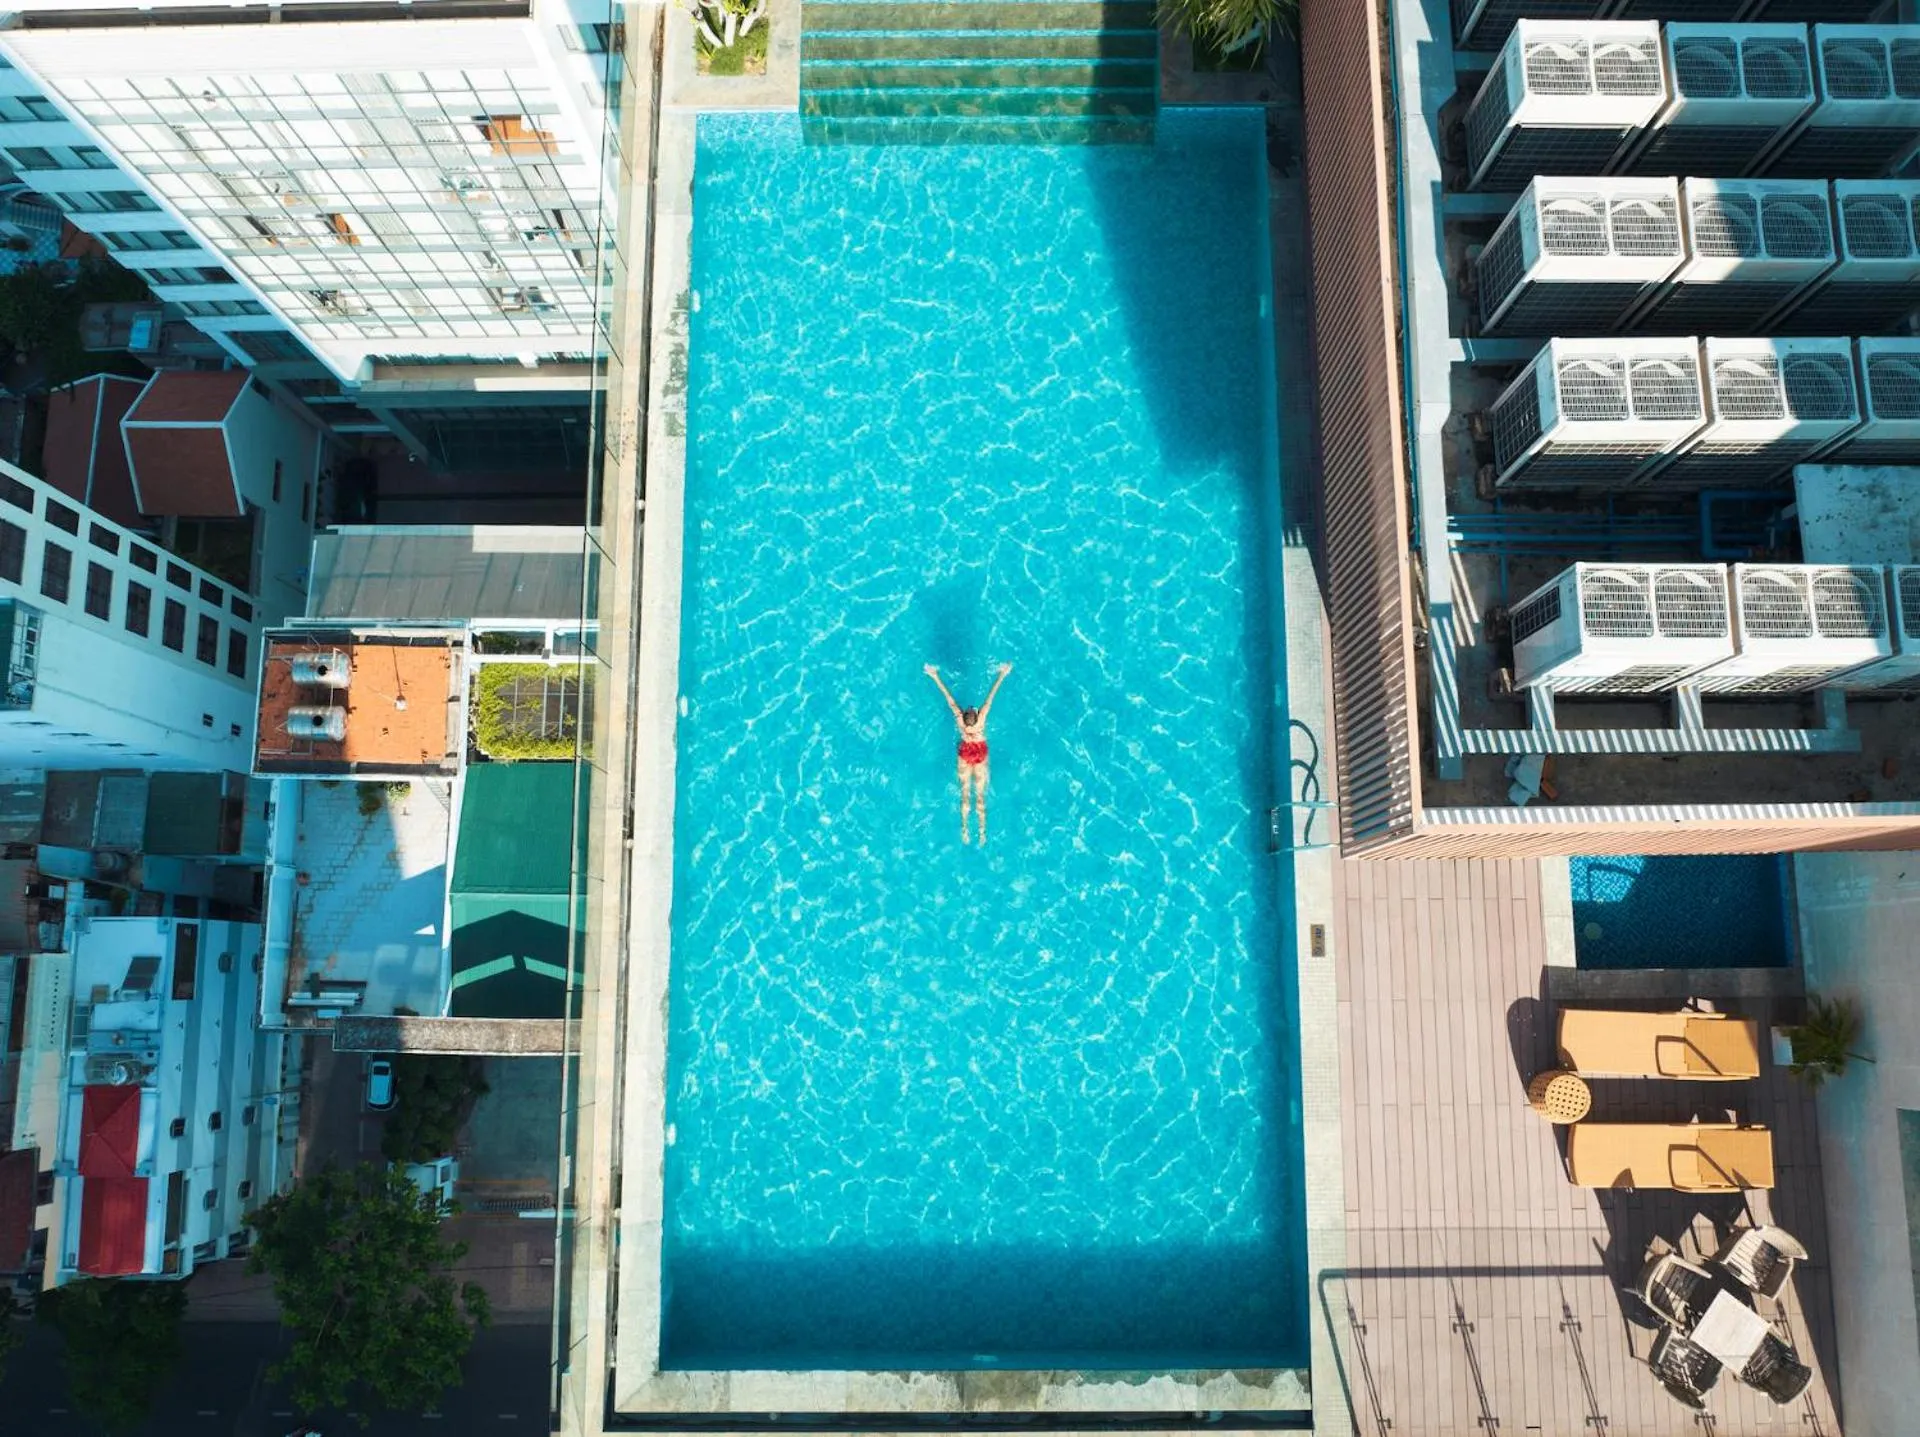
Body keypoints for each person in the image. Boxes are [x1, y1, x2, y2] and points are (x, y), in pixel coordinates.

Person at [923, 662, 1011, 845]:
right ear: (977, 716)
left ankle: (964, 830)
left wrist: (934, 676)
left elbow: (949, 698)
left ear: (964, 716)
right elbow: (990, 697)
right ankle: (982, 833)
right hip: (980, 752)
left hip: (965, 753)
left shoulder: (959, 719)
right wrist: (1002, 675)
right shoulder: (981, 719)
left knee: (965, 792)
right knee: (980, 795)